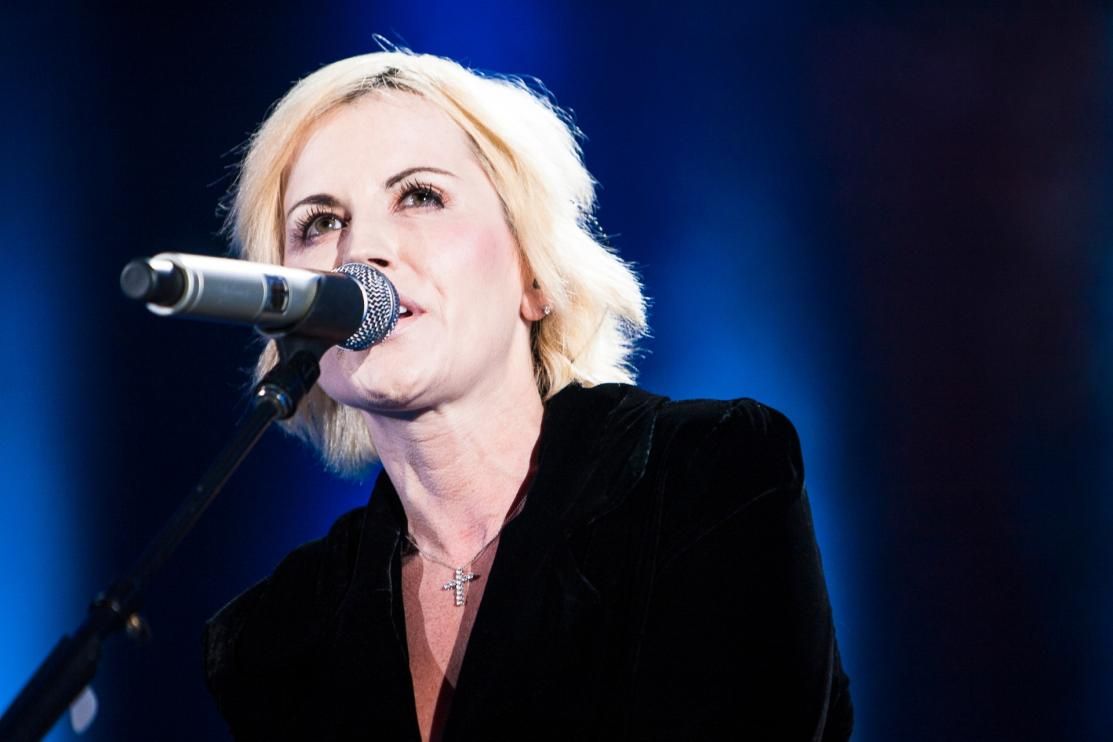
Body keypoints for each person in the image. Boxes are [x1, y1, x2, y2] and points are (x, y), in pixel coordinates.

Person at [203, 49, 852, 741]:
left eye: (419, 196)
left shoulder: (709, 475)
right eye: (320, 223)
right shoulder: (276, 638)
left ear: (535, 275)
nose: (360, 253)